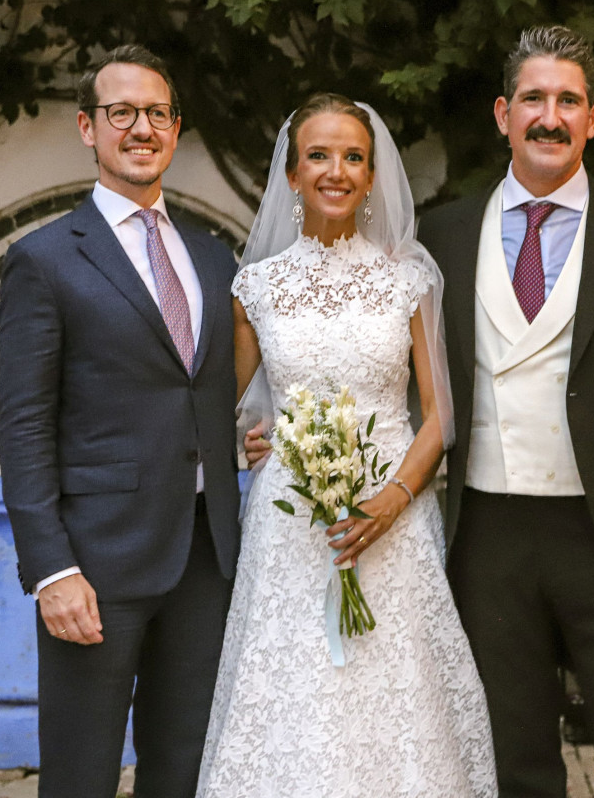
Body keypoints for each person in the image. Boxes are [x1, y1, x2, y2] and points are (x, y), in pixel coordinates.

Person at [413, 25, 594, 798]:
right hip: (487, 530)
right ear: (502, 114)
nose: (550, 117)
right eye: (533, 99)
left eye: (568, 101)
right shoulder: (442, 233)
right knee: (514, 753)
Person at [197, 93, 497, 796]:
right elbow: (222, 412)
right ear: (292, 175)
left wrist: (391, 502)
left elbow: (440, 417)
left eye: (353, 157)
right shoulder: (256, 289)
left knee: (394, 698)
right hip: (289, 528)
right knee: (294, 695)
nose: (337, 171)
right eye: (319, 156)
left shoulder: (408, 280)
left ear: (371, 176)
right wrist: (250, 441)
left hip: (395, 520)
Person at [0, 45, 241, 797]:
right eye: (122, 112)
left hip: (206, 557)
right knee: (81, 774)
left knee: (184, 771)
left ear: (175, 128)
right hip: (94, 564)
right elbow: (24, 426)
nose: (142, 128)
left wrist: (247, 435)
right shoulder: (43, 260)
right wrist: (52, 570)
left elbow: (205, 391)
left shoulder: (213, 260)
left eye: (157, 113)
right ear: (88, 128)